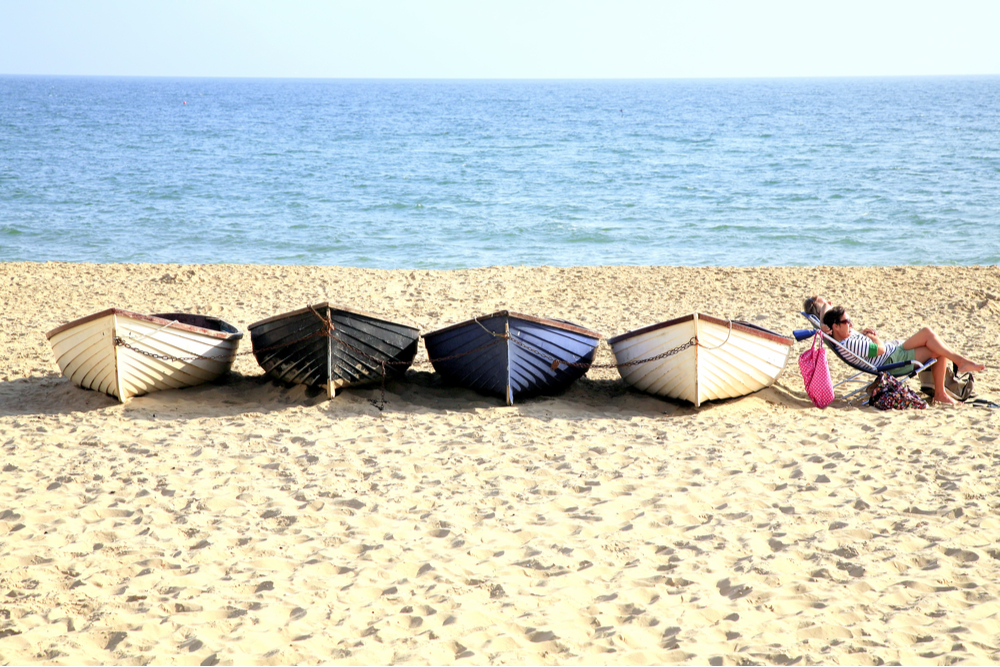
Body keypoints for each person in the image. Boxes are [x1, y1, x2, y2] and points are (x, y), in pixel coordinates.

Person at [822, 306, 986, 405]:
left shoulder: (844, 337)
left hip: (894, 351)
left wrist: (865, 334)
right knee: (936, 348)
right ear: (835, 326)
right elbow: (880, 350)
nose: (850, 324)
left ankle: (956, 368)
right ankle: (943, 390)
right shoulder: (849, 343)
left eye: (849, 320)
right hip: (892, 359)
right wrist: (874, 338)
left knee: (930, 336)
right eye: (846, 322)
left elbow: (822, 305)